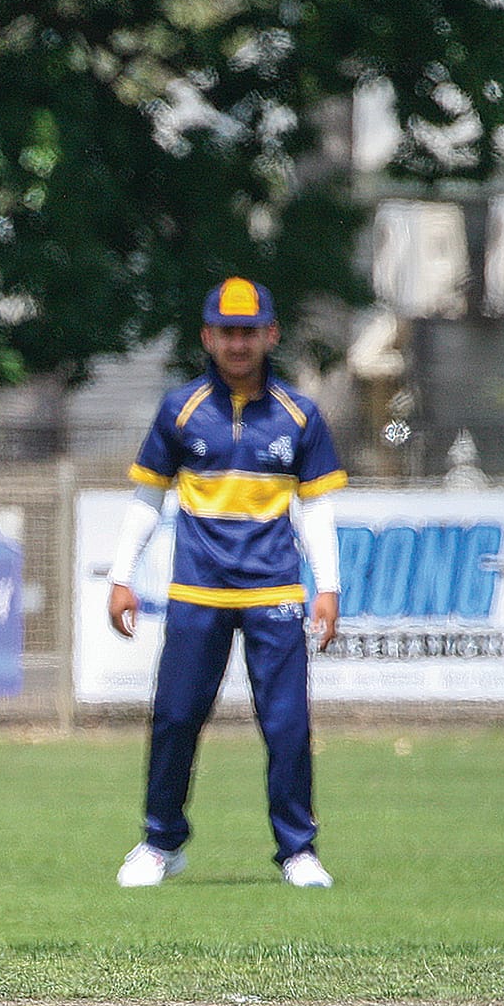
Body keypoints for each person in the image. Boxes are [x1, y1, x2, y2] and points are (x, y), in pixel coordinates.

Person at [106, 278, 346, 890]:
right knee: (176, 719)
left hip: (273, 592)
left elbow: (315, 509)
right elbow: (147, 498)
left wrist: (329, 587)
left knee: (288, 726)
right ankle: (161, 842)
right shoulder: (179, 409)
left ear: (271, 334)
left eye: (249, 332)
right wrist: (121, 577)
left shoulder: (301, 415)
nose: (238, 344)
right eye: (227, 332)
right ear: (207, 337)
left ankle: (298, 850)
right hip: (197, 592)